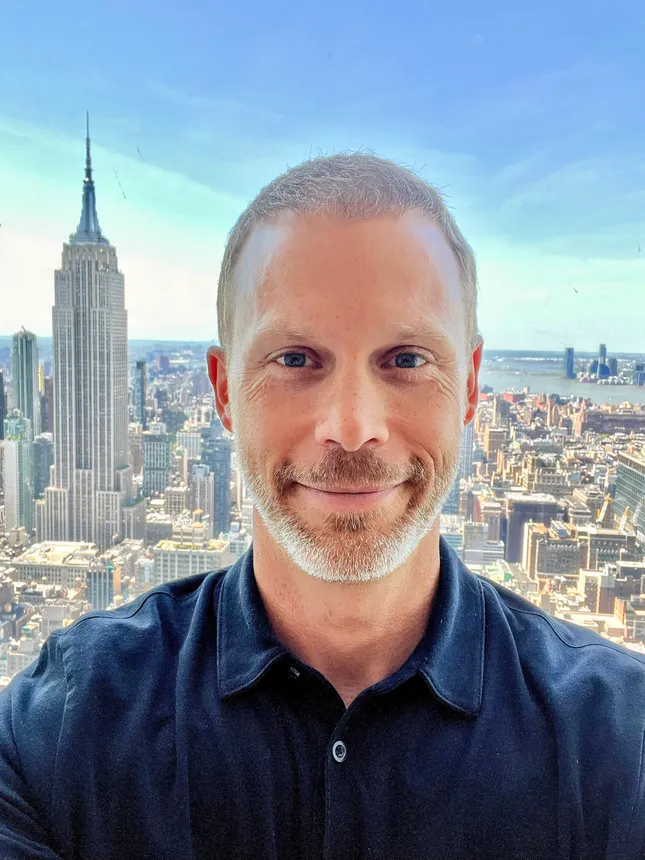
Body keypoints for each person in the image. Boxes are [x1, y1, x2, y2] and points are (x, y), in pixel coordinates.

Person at [1, 153, 644, 860]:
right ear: (221, 392)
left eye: (404, 360)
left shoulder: (618, 741)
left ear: (467, 386)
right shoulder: (62, 730)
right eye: (295, 359)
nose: (350, 425)